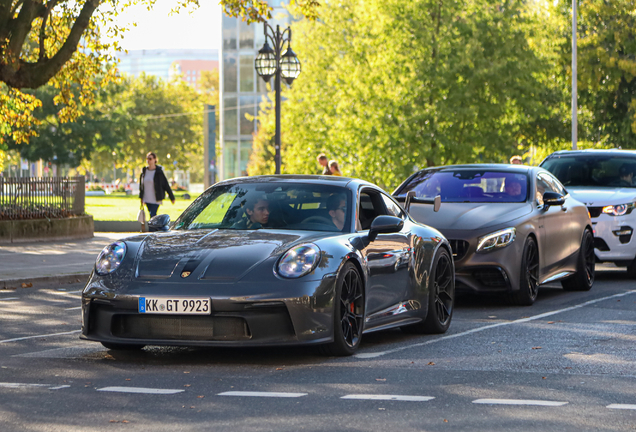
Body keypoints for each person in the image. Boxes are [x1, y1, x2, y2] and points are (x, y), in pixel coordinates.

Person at [139, 152, 175, 218]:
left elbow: (165, 184)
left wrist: (171, 197)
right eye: (147, 159)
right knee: (151, 215)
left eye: (150, 159)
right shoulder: (144, 171)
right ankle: (154, 227)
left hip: (156, 198)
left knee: (152, 214)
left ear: (155, 160)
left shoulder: (158, 172)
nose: (148, 160)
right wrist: (141, 197)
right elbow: (141, 186)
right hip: (147, 198)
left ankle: (152, 228)